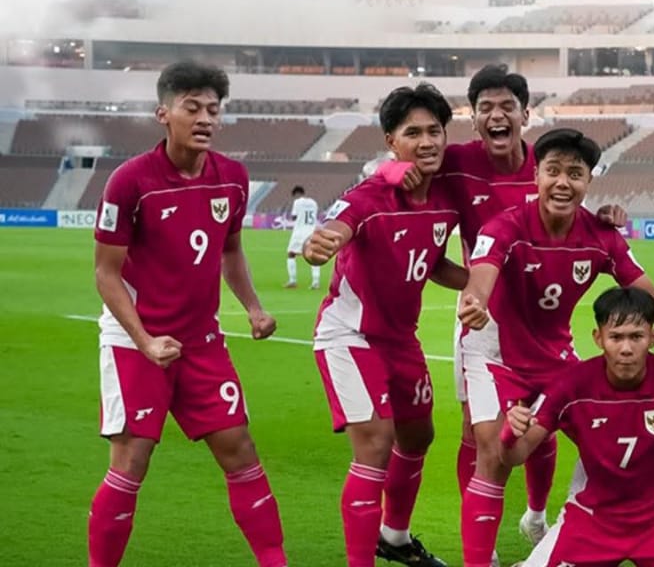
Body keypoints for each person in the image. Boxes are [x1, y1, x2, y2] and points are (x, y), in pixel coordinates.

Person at [376, 64, 627, 547]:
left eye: (506, 106)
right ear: (473, 119)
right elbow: (400, 164)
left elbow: (572, 210)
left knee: (545, 425)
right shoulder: (458, 161)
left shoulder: (549, 165)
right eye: (485, 107)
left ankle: (536, 516)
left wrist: (607, 216)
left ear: (524, 114)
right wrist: (475, 284)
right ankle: (481, 548)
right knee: (481, 439)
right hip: (484, 322)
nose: (496, 115)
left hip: (545, 323)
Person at [455, 128, 654, 567]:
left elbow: (650, 302)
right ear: (537, 176)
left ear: (588, 181)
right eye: (553, 171)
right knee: (493, 453)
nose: (563, 182)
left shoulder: (601, 236)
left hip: (555, 354)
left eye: (575, 174)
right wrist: (475, 303)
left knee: (583, 433)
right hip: (495, 352)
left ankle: (551, 519)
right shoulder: (505, 226)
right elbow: (481, 274)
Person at [89, 61, 286, 567]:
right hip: (137, 340)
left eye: (213, 110)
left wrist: (254, 308)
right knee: (132, 460)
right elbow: (106, 275)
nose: (204, 118)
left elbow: (230, 251)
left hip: (202, 342)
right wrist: (145, 341)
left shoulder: (233, 179)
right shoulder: (130, 181)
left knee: (239, 447)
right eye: (191, 107)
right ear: (164, 113)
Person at [303, 84, 465, 567]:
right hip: (349, 336)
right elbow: (339, 225)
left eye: (434, 130)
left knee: (418, 437)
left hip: (400, 340)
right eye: (412, 132)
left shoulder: (446, 200)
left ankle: (393, 537)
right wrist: (322, 242)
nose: (427, 141)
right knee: (376, 444)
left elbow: (433, 264)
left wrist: (489, 284)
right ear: (391, 142)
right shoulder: (371, 194)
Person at [501, 287, 654, 567]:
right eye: (616, 337)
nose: (626, 349)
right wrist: (510, 435)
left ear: (653, 338)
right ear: (598, 338)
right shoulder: (569, 386)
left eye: (636, 336)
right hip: (591, 517)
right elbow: (515, 455)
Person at [284, 185, 321, 289]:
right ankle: (316, 281)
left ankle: (293, 280)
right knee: (313, 255)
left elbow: (294, 216)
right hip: (311, 231)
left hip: (300, 231)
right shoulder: (314, 203)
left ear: (296, 194)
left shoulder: (298, 202)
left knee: (291, 254)